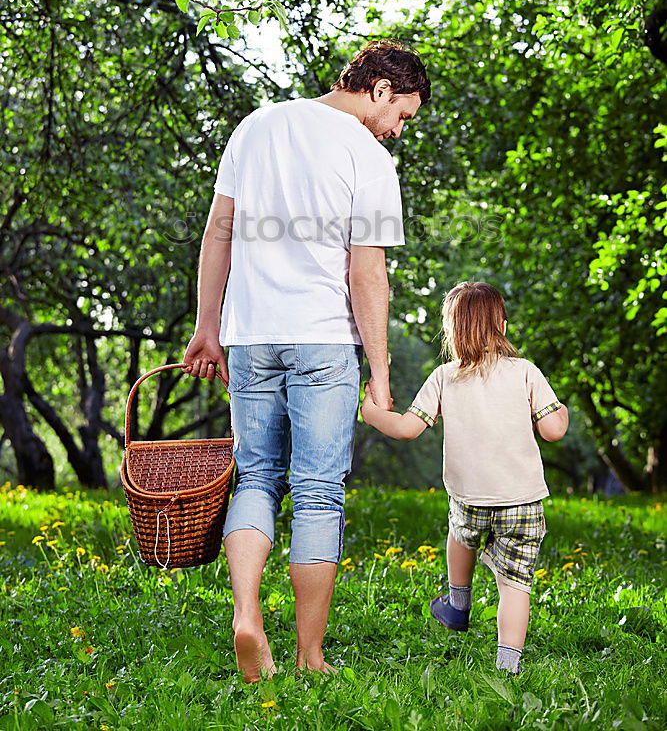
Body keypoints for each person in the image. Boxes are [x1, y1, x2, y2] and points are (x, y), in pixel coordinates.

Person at [182, 39, 430, 682]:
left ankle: (246, 616)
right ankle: (309, 655)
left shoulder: (256, 124)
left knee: (256, 479)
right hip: (322, 337)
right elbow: (366, 270)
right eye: (403, 113)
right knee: (319, 492)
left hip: (250, 334)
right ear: (380, 88)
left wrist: (208, 327)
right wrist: (379, 370)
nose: (400, 129)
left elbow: (219, 231)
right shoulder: (367, 156)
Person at [361, 281, 569, 675]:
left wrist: (371, 411)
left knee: (459, 532)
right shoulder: (525, 373)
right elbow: (554, 430)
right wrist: (561, 412)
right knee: (515, 586)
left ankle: (459, 603)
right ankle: (507, 666)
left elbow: (408, 428)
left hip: (470, 501)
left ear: (452, 333)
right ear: (502, 328)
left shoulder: (444, 377)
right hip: (522, 503)